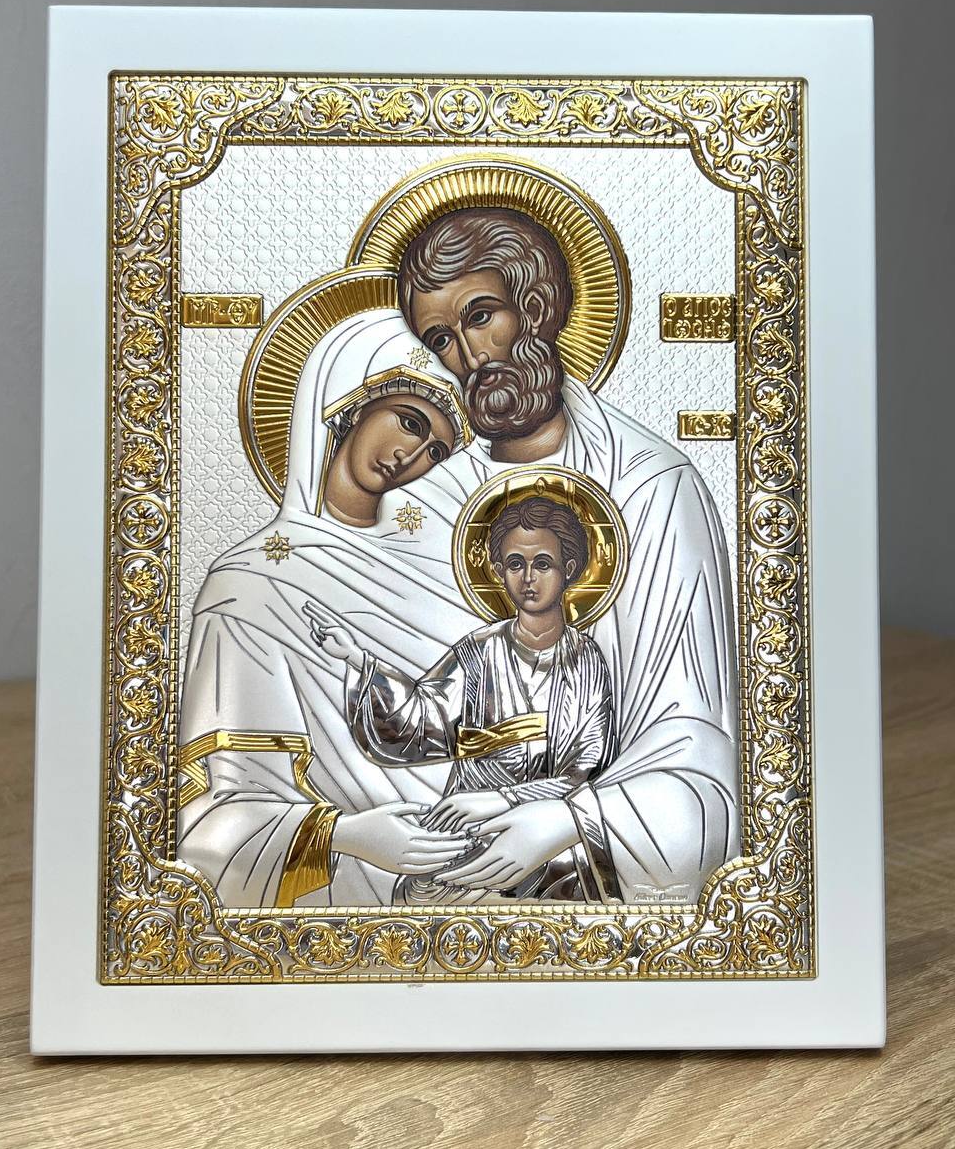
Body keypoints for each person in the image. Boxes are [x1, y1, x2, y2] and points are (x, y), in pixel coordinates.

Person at [393, 207, 741, 903]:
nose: (470, 355)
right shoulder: (428, 504)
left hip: (593, 837)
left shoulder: (651, 488)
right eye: (442, 340)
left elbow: (691, 750)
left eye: (481, 316)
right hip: (462, 832)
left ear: (537, 306)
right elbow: (409, 733)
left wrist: (567, 819)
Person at [176, 309, 480, 909]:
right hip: (341, 884)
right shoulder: (247, 585)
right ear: (351, 402)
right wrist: (347, 835)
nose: (411, 455)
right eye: (409, 421)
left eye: (436, 451)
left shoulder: (439, 574)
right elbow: (218, 815)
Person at [307, 495, 618, 902]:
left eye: (543, 564)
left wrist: (504, 799)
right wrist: (359, 660)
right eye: (515, 564)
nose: (528, 578)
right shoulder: (476, 652)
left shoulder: (586, 662)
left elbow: (587, 774)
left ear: (569, 569)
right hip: (468, 830)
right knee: (418, 894)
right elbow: (420, 721)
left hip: (549, 836)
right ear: (499, 572)